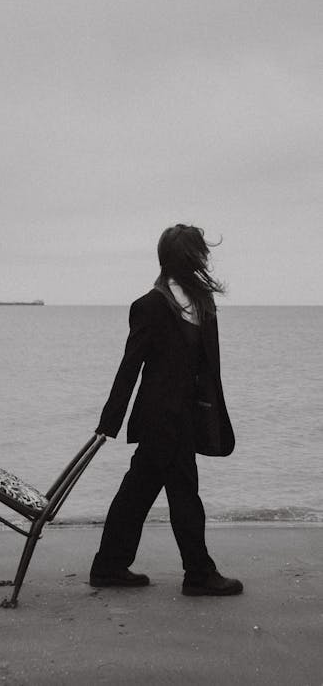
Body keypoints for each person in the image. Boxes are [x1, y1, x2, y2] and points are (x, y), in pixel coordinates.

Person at [90, 224, 243, 596]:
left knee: (139, 491)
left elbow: (207, 369)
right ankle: (198, 573)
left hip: (186, 418)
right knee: (183, 492)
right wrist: (110, 421)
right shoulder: (150, 306)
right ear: (186, 257)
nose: (204, 258)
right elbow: (131, 366)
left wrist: (210, 415)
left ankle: (109, 565)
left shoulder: (203, 303)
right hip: (160, 418)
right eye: (199, 252)